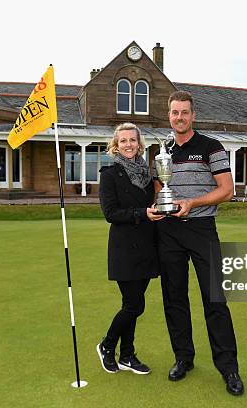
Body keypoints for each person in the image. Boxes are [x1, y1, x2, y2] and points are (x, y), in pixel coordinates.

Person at [154, 91, 244, 396]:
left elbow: (227, 190)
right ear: (169, 115)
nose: (179, 117)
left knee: (215, 300)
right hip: (168, 231)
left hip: (202, 228)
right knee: (174, 298)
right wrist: (155, 207)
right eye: (175, 112)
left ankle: (228, 367)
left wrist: (193, 202)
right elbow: (158, 190)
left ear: (193, 115)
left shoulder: (211, 147)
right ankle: (183, 358)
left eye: (185, 112)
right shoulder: (162, 150)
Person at [96, 123, 164, 375]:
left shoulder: (147, 174)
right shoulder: (110, 173)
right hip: (124, 248)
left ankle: (127, 355)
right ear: (116, 144)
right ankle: (107, 345)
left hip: (146, 247)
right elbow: (110, 213)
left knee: (134, 302)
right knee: (134, 305)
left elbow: (154, 200)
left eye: (132, 140)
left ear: (139, 144)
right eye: (123, 140)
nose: (128, 144)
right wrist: (142, 213)